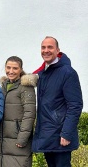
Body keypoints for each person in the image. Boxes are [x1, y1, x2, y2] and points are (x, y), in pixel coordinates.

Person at [32, 36, 83, 167]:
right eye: (43, 47)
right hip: (48, 135)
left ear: (58, 50)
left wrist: (66, 133)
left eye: (50, 47)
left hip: (61, 136)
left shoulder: (68, 73)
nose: (46, 50)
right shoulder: (43, 74)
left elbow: (75, 105)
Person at [0, 56, 37, 167]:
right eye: (8, 68)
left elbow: (29, 113)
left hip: (17, 139)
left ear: (20, 69)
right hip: (3, 139)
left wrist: (22, 138)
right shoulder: (3, 87)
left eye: (15, 68)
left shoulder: (25, 87)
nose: (11, 71)